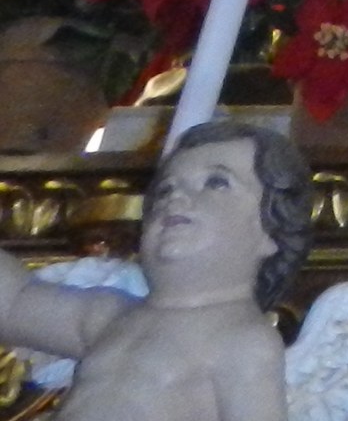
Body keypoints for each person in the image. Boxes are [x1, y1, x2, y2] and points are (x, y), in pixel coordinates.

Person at [0, 119, 309, 421]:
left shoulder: (242, 341)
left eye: (216, 182)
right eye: (165, 189)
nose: (176, 196)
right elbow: (14, 302)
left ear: (272, 231)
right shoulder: (109, 316)